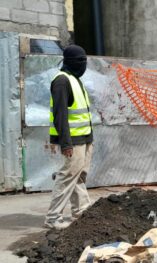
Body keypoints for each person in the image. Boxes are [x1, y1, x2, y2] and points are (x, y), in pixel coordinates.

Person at [45, 45, 93, 230]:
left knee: (78, 177)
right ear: (70, 62)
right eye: (81, 61)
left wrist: (90, 139)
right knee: (67, 177)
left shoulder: (74, 79)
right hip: (73, 141)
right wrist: (66, 143)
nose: (84, 65)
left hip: (84, 138)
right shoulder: (62, 81)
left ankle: (81, 212)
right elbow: (60, 116)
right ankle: (52, 218)